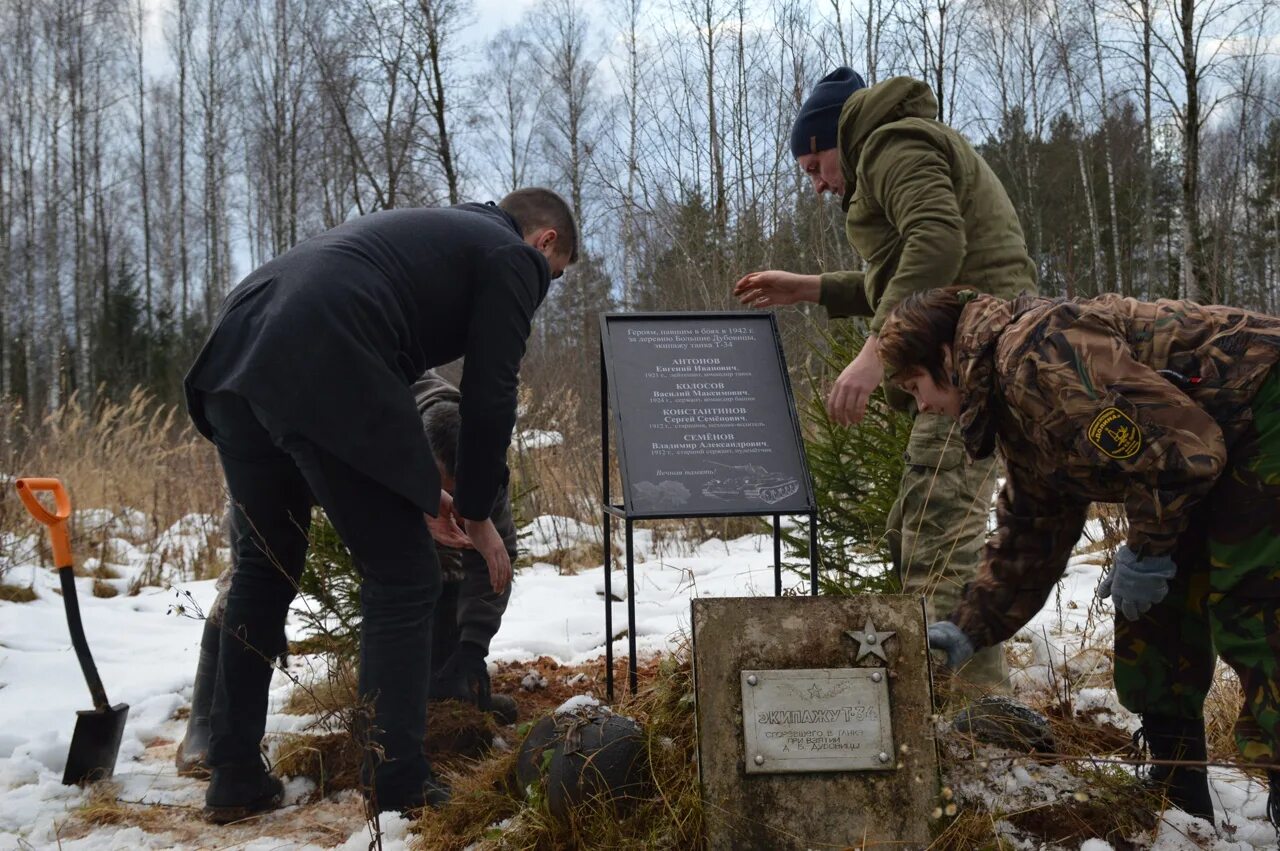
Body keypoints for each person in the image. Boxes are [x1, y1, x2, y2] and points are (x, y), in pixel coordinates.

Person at [183, 189, 576, 823]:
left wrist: (424, 490)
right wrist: (477, 510)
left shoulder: (427, 238)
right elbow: (490, 392)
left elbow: (374, 373)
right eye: (552, 279)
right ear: (546, 242)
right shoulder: (512, 255)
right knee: (404, 575)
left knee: (266, 566)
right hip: (321, 349)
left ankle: (233, 776)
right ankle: (398, 783)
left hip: (237, 347)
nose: (542, 288)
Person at [877, 286, 1280, 824]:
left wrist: (1147, 550)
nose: (922, 405)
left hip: (1264, 407)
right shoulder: (1011, 400)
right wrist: (970, 626)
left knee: (1254, 607)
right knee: (1152, 610)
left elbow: (1186, 452)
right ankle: (1178, 789)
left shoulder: (1038, 358)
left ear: (946, 358)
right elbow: (1032, 531)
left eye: (916, 386)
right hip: (1207, 446)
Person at [733, 69, 1037, 693]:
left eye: (815, 164)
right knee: (922, 525)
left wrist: (877, 353)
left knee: (936, 531)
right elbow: (908, 266)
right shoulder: (893, 147)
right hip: (969, 355)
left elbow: (937, 243)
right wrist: (812, 288)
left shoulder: (892, 143)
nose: (817, 184)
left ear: (837, 137)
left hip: (970, 367)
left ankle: (963, 711)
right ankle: (976, 696)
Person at [174, 371, 520, 779]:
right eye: (441, 494)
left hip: (370, 448)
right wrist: (261, 609)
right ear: (415, 461)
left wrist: (472, 647)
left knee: (445, 558)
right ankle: (207, 728)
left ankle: (442, 689)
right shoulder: (370, 420)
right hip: (282, 437)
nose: (451, 506)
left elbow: (496, 559)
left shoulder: (480, 466)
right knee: (257, 572)